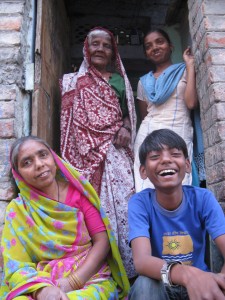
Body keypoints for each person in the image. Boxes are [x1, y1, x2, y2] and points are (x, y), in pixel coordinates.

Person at [0, 136, 130, 300]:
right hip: (42, 282)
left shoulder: (78, 195)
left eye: (43, 155)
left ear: (54, 159)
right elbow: (16, 264)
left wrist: (74, 281)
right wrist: (42, 290)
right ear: (18, 174)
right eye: (27, 162)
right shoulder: (18, 210)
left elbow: (102, 241)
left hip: (89, 277)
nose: (39, 164)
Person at [60, 27, 136, 278]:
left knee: (125, 207)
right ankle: (92, 272)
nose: (100, 49)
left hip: (115, 151)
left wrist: (125, 127)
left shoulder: (118, 80)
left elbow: (128, 115)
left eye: (106, 45)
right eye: (95, 44)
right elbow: (68, 124)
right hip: (83, 159)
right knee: (87, 213)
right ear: (86, 48)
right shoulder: (71, 81)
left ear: (113, 51)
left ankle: (128, 271)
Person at [128, 129, 225, 300]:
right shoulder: (140, 203)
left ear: (187, 165)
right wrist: (186, 274)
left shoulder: (203, 198)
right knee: (144, 286)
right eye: (155, 157)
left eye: (174, 154)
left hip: (199, 283)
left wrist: (218, 281)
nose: (166, 160)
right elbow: (141, 261)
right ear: (143, 171)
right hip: (162, 283)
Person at [134, 28, 199, 192]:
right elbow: (145, 116)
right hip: (148, 135)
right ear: (146, 53)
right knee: (148, 183)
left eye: (159, 42)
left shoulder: (184, 70)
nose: (154, 47)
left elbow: (191, 103)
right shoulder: (144, 82)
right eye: (148, 46)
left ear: (170, 46)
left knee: (180, 182)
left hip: (178, 131)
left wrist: (190, 65)